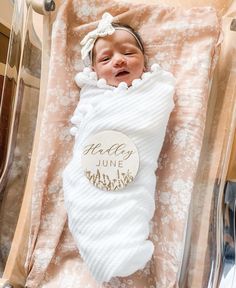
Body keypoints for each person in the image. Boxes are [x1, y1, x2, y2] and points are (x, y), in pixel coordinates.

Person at [63, 12, 175, 284]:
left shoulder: (153, 90)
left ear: (145, 63)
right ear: (94, 71)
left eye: (128, 52)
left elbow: (151, 122)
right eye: (106, 59)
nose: (119, 60)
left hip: (133, 171)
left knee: (132, 196)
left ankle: (126, 242)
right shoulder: (92, 95)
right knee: (81, 187)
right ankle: (100, 243)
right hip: (93, 172)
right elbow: (85, 135)